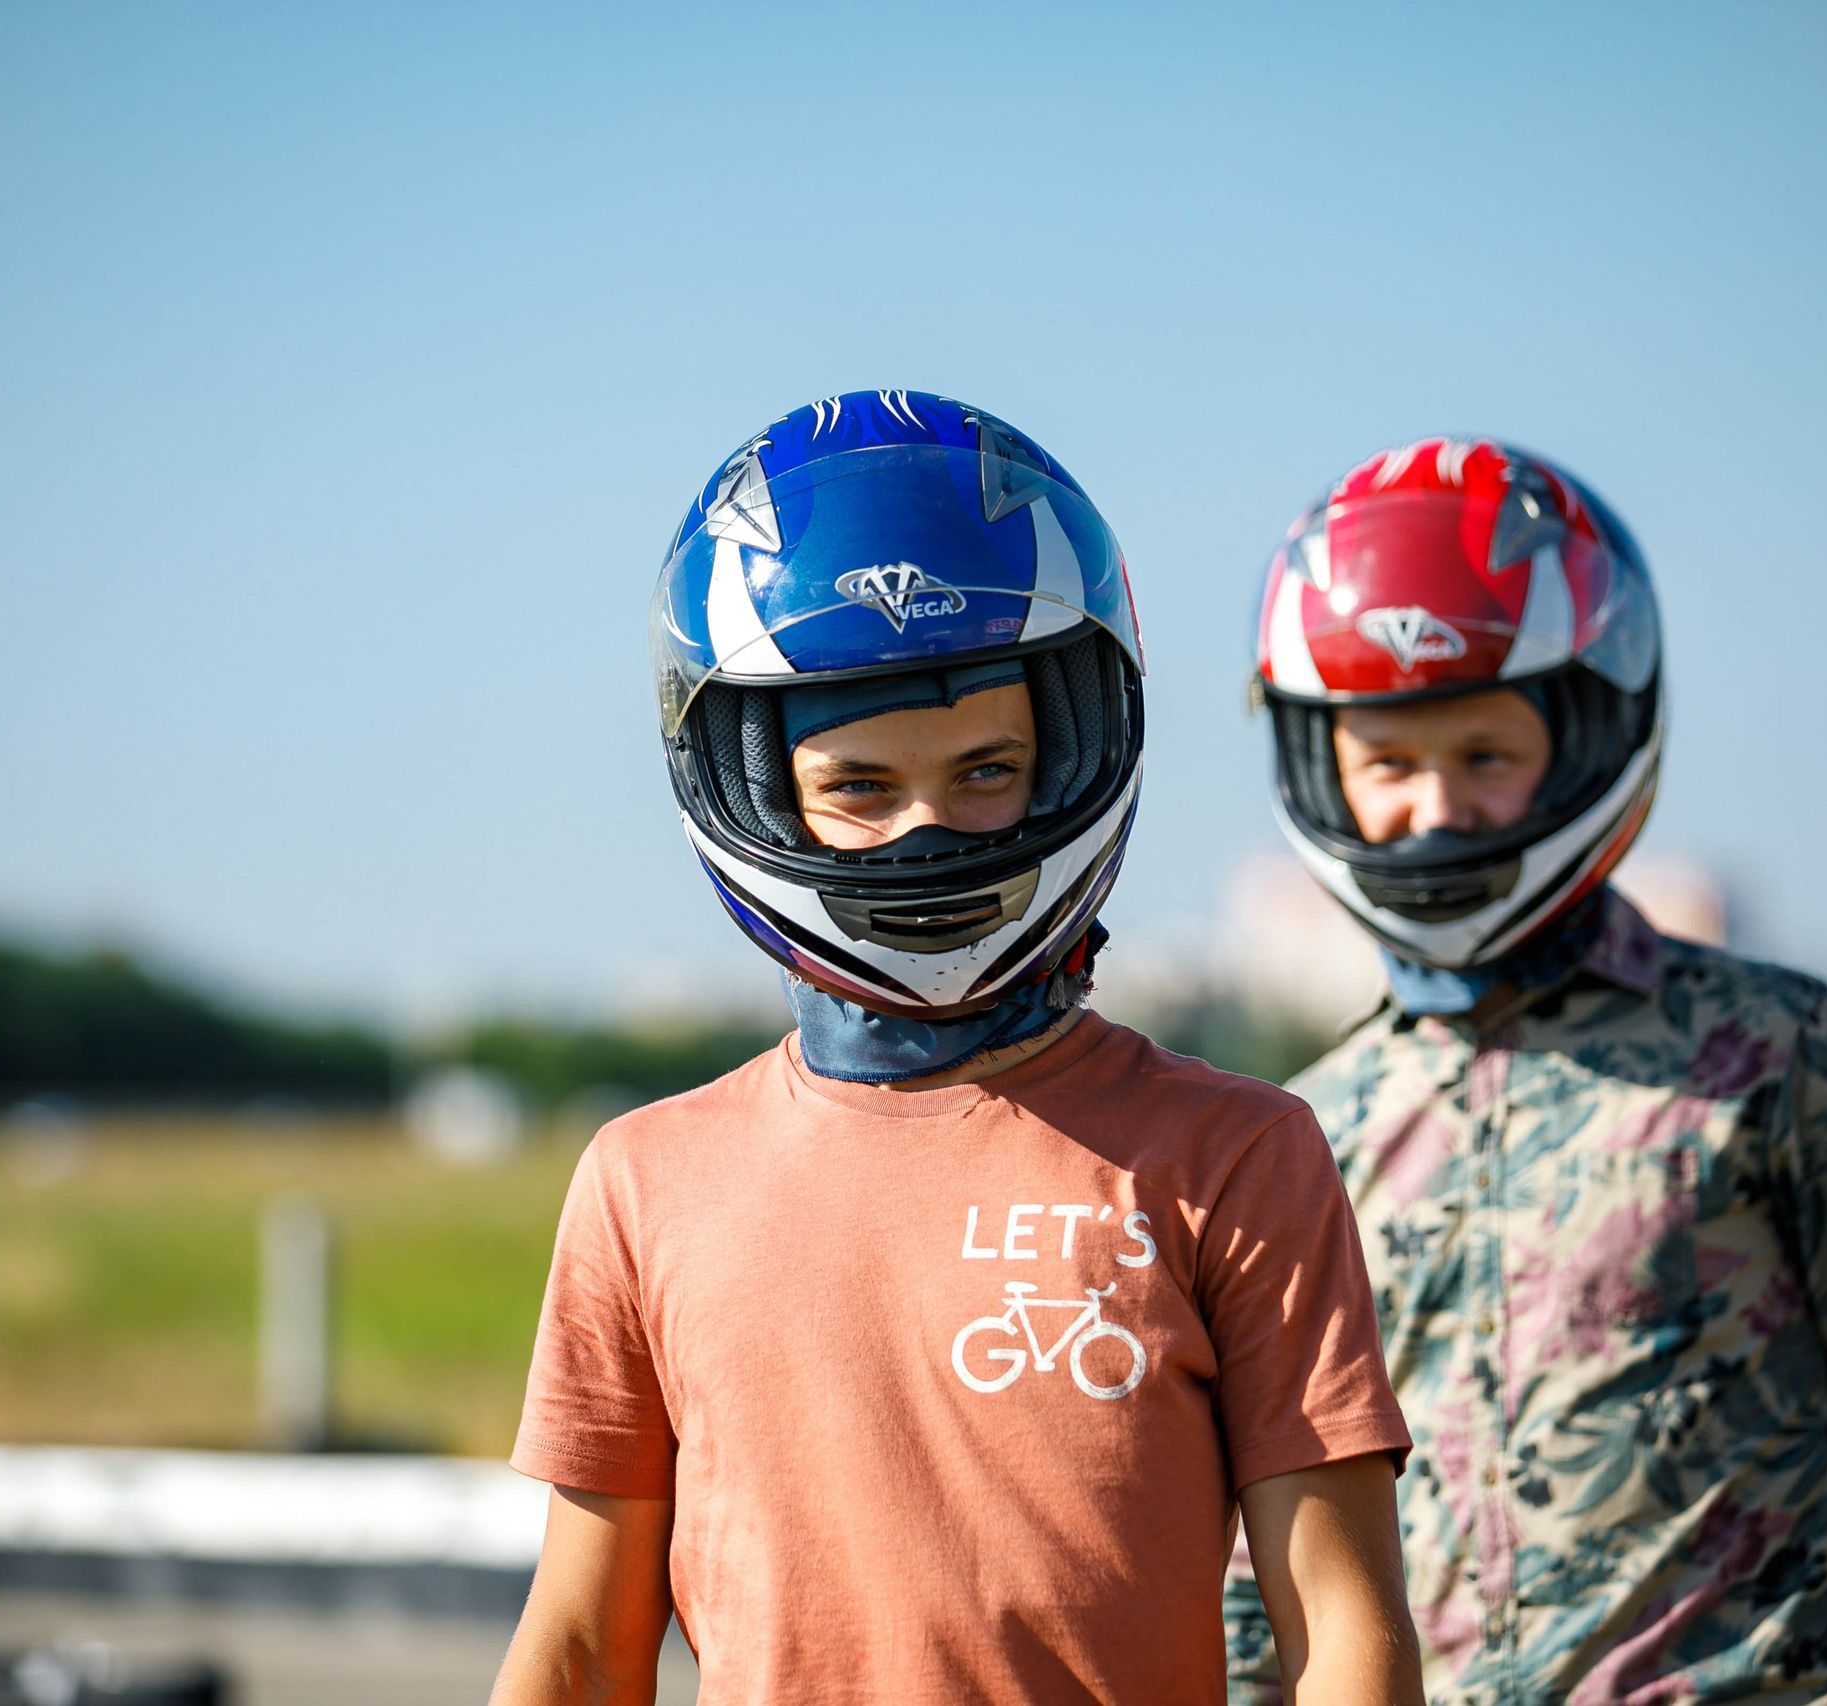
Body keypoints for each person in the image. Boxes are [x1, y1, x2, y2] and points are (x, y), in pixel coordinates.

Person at [491, 391, 1423, 1706]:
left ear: (1069, 757)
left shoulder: (1237, 1155)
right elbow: (581, 1645)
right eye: (861, 785)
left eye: (987, 770)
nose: (929, 829)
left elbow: (1346, 1634)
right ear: (756, 787)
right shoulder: (645, 1182)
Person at [1222, 438, 1827, 1706]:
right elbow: (1262, 1574)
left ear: (1584, 739)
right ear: (1322, 766)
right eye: (1388, 763)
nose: (1434, 808)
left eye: (1485, 754)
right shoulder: (1306, 1131)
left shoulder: (1777, 1054)